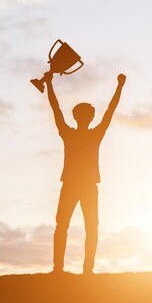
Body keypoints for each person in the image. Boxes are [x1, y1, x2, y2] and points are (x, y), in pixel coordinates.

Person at [44, 71, 126, 274]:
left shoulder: (69, 133)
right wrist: (119, 87)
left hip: (76, 184)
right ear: (89, 118)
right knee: (85, 227)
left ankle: (61, 269)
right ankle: (83, 269)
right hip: (83, 185)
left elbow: (55, 109)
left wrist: (50, 84)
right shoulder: (92, 134)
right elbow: (110, 111)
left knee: (65, 226)